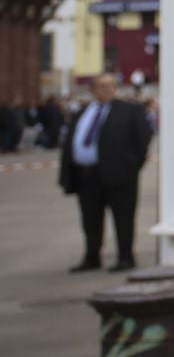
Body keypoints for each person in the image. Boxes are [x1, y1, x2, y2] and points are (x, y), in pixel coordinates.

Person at [57, 73, 151, 271]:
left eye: (110, 86)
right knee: (90, 218)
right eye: (102, 86)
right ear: (92, 89)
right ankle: (92, 257)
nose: (107, 90)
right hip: (87, 176)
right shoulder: (82, 113)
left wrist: (131, 167)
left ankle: (125, 257)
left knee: (123, 217)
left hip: (119, 175)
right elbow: (70, 141)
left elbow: (142, 140)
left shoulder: (129, 111)